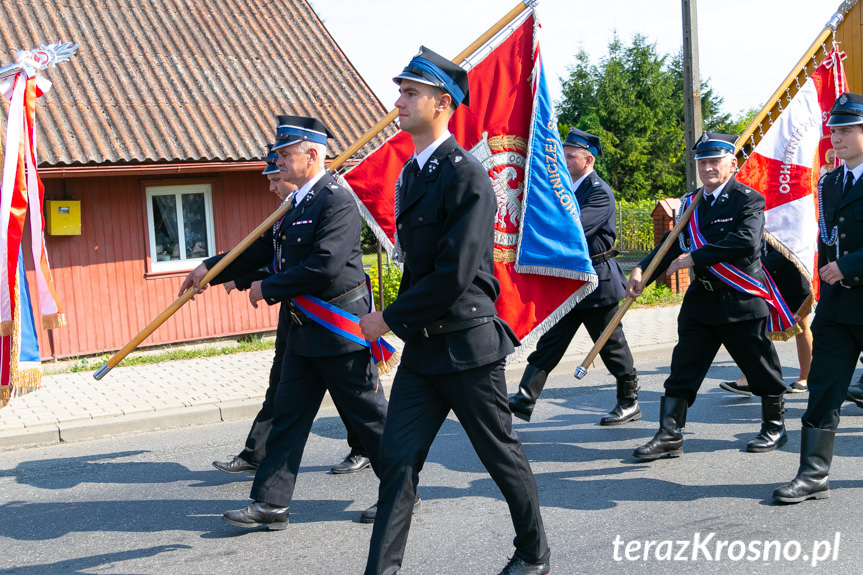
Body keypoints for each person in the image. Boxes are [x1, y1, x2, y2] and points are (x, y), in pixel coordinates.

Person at [358, 47, 550, 575]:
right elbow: (419, 267)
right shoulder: (413, 175)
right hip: (424, 351)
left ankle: (534, 552)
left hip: (467, 345)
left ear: (442, 104)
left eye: (410, 93)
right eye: (400, 91)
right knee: (397, 464)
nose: (399, 101)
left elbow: (456, 274)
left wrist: (388, 318)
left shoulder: (466, 175)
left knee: (500, 456)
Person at [180, 115, 388, 529]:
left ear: (311, 155)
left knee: (370, 419)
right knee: (289, 416)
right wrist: (208, 267)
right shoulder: (297, 204)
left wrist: (269, 288)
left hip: (336, 329)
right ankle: (271, 504)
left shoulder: (336, 200)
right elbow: (258, 249)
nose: (277, 162)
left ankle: (402, 490)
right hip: (302, 332)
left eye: (284, 155)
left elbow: (325, 266)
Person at [625, 132, 788, 461]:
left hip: (741, 299)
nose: (708, 168)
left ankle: (774, 425)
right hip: (702, 302)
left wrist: (696, 258)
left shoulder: (748, 200)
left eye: (715, 161)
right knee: (683, 367)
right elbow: (669, 245)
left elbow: (745, 241)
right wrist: (643, 270)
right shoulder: (691, 203)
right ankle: (670, 434)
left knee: (761, 368)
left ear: (733, 163)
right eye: (703, 162)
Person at [210, 144, 372, 476]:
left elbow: (312, 266)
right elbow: (270, 258)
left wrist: (257, 285)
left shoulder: (331, 202)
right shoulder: (289, 210)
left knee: (357, 396)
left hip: (334, 315)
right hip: (297, 314)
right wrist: (218, 272)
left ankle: (371, 454)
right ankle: (260, 461)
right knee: (282, 390)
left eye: (275, 177)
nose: (271, 185)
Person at [508, 128, 640, 426]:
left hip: (597, 282)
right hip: (570, 282)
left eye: (570, 156)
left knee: (611, 345)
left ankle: (629, 401)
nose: (564, 160)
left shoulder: (598, 191)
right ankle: (526, 397)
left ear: (588, 159)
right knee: (551, 342)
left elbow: (573, 229)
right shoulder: (565, 186)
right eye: (563, 154)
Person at [773, 92, 863, 503]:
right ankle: (813, 475)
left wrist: (850, 265)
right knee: (823, 388)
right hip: (838, 308)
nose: (836, 138)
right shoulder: (830, 181)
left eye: (845, 130)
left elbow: (842, 255)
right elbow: (827, 245)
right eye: (833, 130)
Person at [719, 245, 813, 395]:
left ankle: (806, 378)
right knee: (759, 328)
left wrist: (754, 266)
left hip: (793, 278)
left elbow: (792, 248)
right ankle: (747, 378)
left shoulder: (793, 220)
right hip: (764, 279)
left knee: (801, 327)